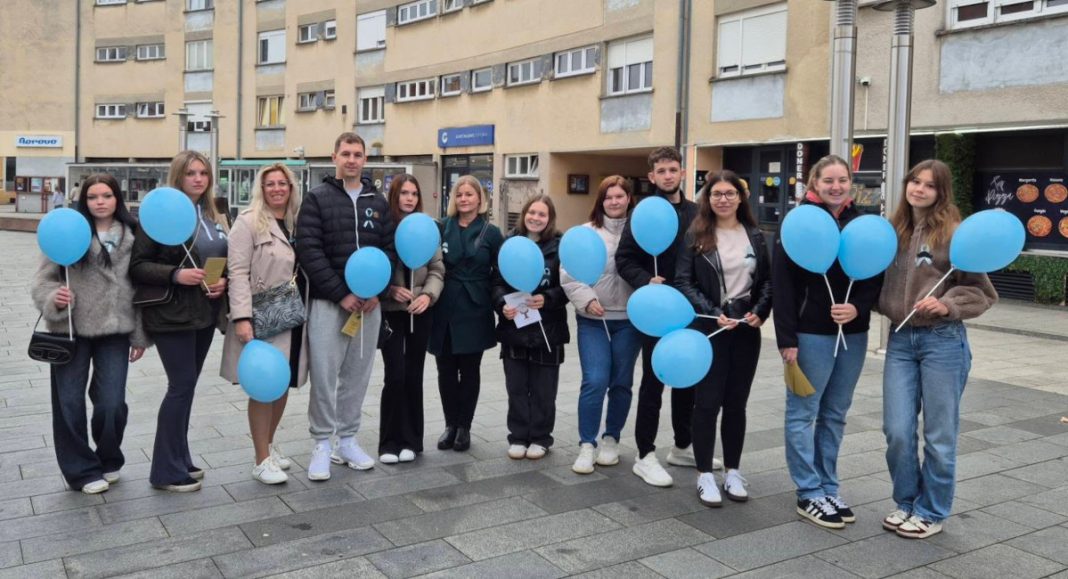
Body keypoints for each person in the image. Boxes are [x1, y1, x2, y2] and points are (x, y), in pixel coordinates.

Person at [878, 160, 997, 539]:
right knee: (896, 430)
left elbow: (982, 292)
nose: (919, 189)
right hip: (899, 341)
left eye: (929, 185)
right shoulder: (893, 230)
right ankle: (907, 501)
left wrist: (948, 305)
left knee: (939, 434)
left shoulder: (954, 234)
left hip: (942, 343)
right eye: (915, 180)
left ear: (940, 192)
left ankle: (932, 510)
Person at [773, 154, 883, 527]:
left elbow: (873, 278)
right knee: (804, 413)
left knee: (835, 414)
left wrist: (858, 308)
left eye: (842, 180)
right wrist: (786, 338)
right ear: (813, 185)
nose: (836, 187)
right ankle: (808, 492)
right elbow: (783, 287)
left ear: (851, 183)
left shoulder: (862, 223)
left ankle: (828, 485)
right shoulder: (799, 223)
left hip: (853, 333)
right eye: (828, 180)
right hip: (809, 335)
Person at [31, 174, 149, 494]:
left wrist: (140, 336)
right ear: (84, 200)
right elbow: (43, 281)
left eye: (107, 195)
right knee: (69, 402)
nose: (100, 202)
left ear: (117, 199)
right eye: (93, 196)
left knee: (112, 403)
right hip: (72, 329)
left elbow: (139, 288)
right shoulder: (69, 231)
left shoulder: (133, 234)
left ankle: (109, 456)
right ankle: (81, 470)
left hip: (116, 329)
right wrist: (54, 297)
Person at [295, 132, 395, 481]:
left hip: (368, 306)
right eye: (346, 154)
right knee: (324, 374)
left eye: (357, 154)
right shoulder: (317, 199)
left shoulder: (377, 202)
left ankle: (347, 439)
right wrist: (341, 293)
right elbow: (309, 251)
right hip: (329, 303)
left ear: (365, 159)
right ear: (334, 157)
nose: (352, 160)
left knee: (357, 374)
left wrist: (376, 292)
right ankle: (322, 443)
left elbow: (389, 249)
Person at [131, 150, 229, 492]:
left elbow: (220, 255)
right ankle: (165, 471)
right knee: (180, 386)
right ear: (178, 177)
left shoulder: (213, 213)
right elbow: (138, 265)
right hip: (171, 313)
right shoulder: (160, 212)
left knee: (187, 389)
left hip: (204, 311)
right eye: (191, 173)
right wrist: (176, 274)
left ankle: (180, 456)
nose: (199, 179)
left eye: (203, 173)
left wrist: (222, 280)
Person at [675, 171, 772, 506]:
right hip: (711, 326)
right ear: (708, 198)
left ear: (740, 197)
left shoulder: (756, 236)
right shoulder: (697, 234)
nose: (723, 199)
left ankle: (732, 470)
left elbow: (767, 282)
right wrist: (711, 310)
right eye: (716, 193)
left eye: (730, 193)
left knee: (736, 404)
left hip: (745, 328)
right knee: (707, 402)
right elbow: (683, 281)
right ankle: (704, 474)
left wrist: (760, 310)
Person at [615, 146, 700, 487]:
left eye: (673, 169)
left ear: (682, 172)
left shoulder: (698, 212)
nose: (668, 175)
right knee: (654, 381)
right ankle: (644, 453)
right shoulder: (644, 213)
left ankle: (682, 445)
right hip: (658, 310)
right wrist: (645, 281)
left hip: (692, 307)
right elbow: (624, 259)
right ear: (651, 176)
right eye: (661, 171)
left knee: (687, 379)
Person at [220, 163, 308, 485]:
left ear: (291, 187)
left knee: (282, 383)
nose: (276, 189)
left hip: (291, 315)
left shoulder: (297, 221)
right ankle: (260, 459)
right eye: (270, 184)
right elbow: (237, 273)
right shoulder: (247, 223)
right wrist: (241, 318)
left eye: (282, 183)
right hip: (261, 317)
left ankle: (269, 446)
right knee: (262, 387)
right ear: (262, 188)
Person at [561, 176, 643, 474]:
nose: (614, 201)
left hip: (629, 321)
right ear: (600, 201)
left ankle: (611, 438)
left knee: (621, 382)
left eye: (620, 196)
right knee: (595, 380)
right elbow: (569, 272)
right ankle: (587, 444)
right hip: (593, 320)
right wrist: (585, 298)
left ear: (628, 199)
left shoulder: (640, 233)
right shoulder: (585, 233)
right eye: (609, 197)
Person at [428, 176, 504, 452]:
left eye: (469, 194)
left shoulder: (492, 233)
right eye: (459, 194)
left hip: (475, 306)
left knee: (470, 370)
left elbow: (501, 272)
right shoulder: (441, 228)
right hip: (444, 306)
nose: (464, 199)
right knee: (445, 369)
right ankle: (450, 424)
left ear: (479, 199)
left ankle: (464, 427)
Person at [493, 195, 569, 460]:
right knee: (516, 386)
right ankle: (517, 436)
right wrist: (502, 303)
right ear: (524, 214)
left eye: (542, 214)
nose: (536, 218)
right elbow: (496, 282)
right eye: (532, 212)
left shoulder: (559, 247)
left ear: (549, 219)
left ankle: (540, 437)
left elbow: (568, 286)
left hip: (548, 329)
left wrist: (548, 299)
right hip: (514, 328)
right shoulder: (509, 243)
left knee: (544, 389)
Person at [378, 174, 444, 464]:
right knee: (395, 375)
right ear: (395, 195)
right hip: (392, 312)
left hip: (420, 311)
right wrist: (390, 289)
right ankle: (389, 441)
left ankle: (412, 440)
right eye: (404, 193)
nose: (409, 198)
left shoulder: (427, 229)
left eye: (414, 194)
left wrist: (427, 296)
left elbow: (437, 269)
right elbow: (376, 267)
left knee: (414, 375)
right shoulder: (384, 228)